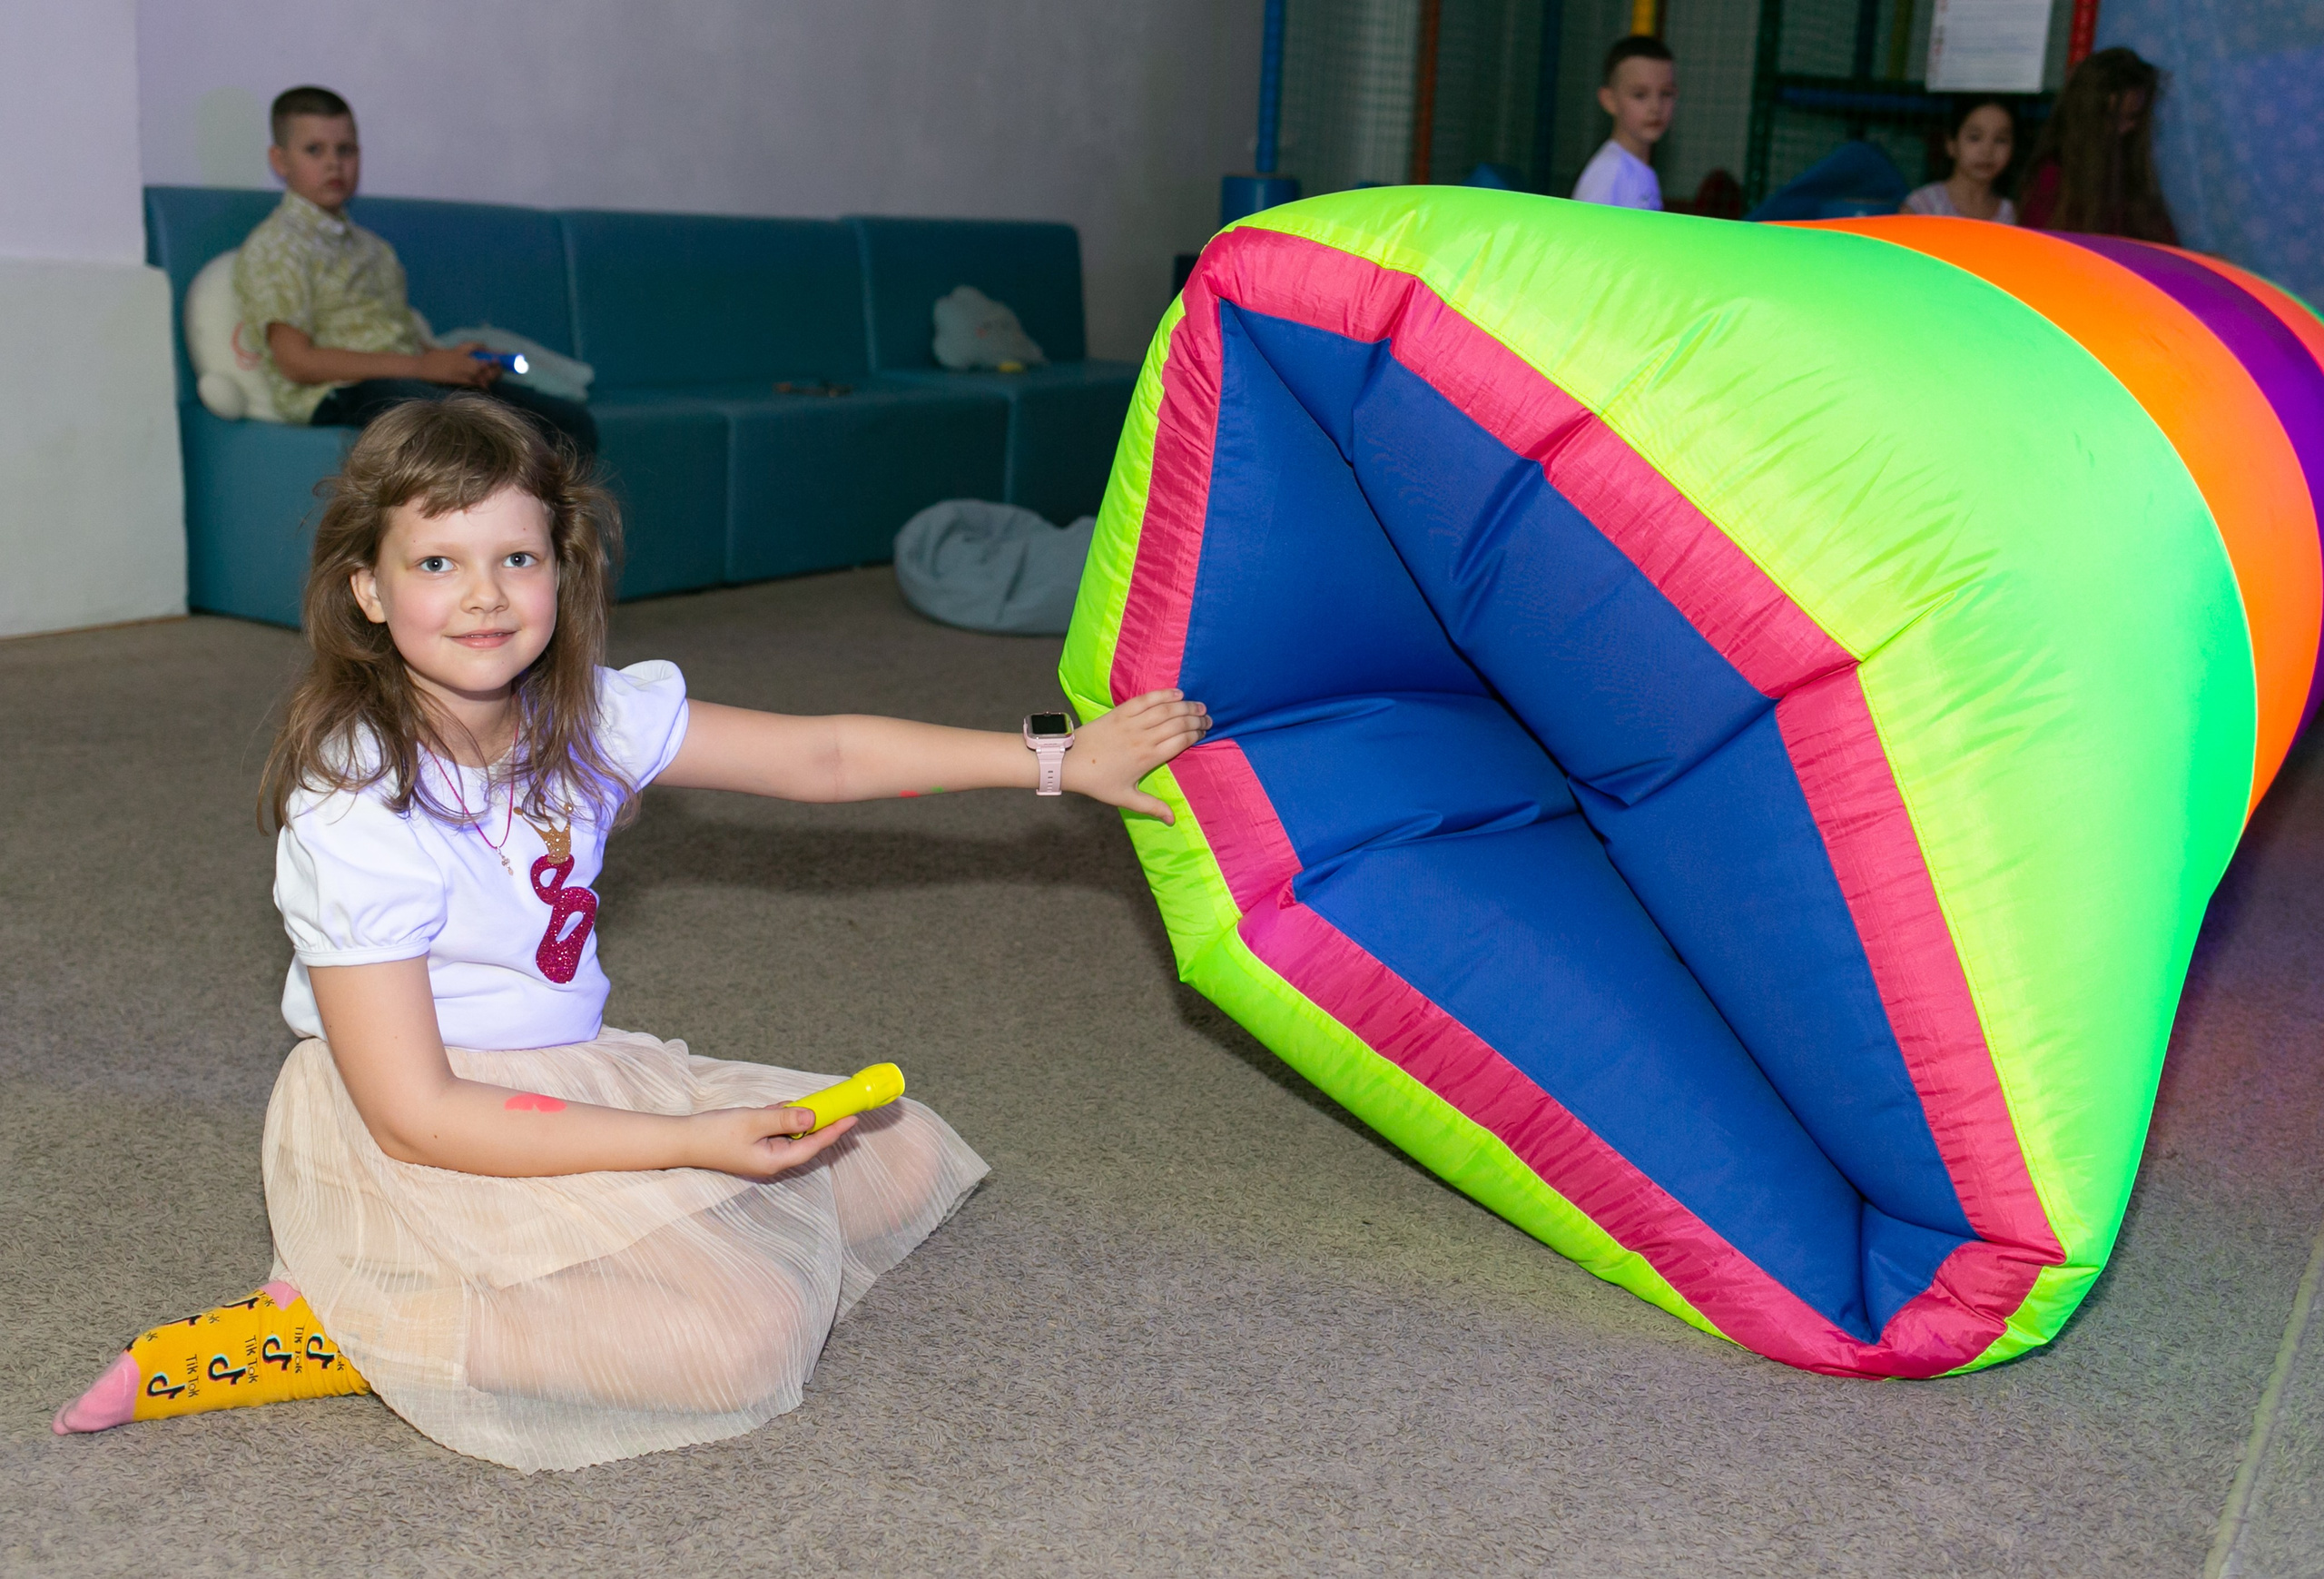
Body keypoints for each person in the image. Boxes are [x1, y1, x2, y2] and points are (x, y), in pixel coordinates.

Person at [52, 397, 1211, 1472]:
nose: (485, 595)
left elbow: (824, 757)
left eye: (517, 556)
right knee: (742, 1335)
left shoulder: (587, 710)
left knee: (893, 1145)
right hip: (428, 1115)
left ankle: (531, 1264)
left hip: (571, 1070)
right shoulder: (355, 808)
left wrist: (1055, 760)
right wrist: (686, 1143)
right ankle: (350, 1321)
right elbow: (418, 1112)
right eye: (438, 563)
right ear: (367, 589)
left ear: (562, 564)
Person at [234, 86, 599, 459]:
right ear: (279, 161)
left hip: (408, 377)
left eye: (345, 150)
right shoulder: (277, 246)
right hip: (343, 392)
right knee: (466, 428)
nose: (333, 164)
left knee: (568, 423)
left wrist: (454, 363)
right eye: (314, 150)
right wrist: (422, 365)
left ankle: (546, 516)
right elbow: (296, 362)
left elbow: (396, 336)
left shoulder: (374, 249)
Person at [2016, 47, 2177, 242]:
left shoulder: (2132, 175)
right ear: (2084, 115)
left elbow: (2162, 242)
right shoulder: (2052, 176)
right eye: (2112, 118)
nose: (2123, 130)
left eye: (2133, 118)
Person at [1573, 36, 1675, 212]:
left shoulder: (1641, 171)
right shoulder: (1609, 170)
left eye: (1666, 93)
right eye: (1640, 95)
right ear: (1609, 100)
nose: (1656, 107)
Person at [1903, 98, 2019, 222]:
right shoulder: (1923, 206)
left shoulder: (2010, 214)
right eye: (1975, 138)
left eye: (2001, 140)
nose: (1987, 150)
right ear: (1951, 144)